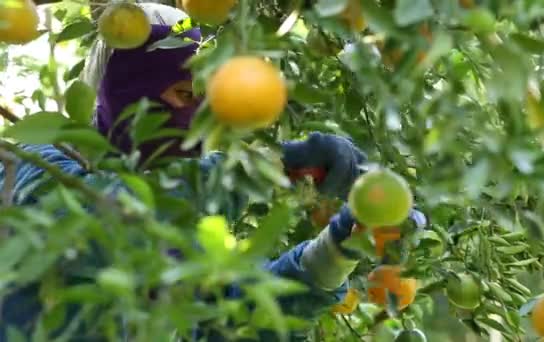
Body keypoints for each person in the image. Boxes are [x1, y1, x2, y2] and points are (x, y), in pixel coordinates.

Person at [0, 4, 426, 341]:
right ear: (125, 92)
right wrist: (265, 169)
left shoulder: (178, 227)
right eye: (183, 94)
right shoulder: (35, 163)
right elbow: (100, 227)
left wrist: (336, 251)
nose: (195, 118)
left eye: (207, 102)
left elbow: (233, 320)